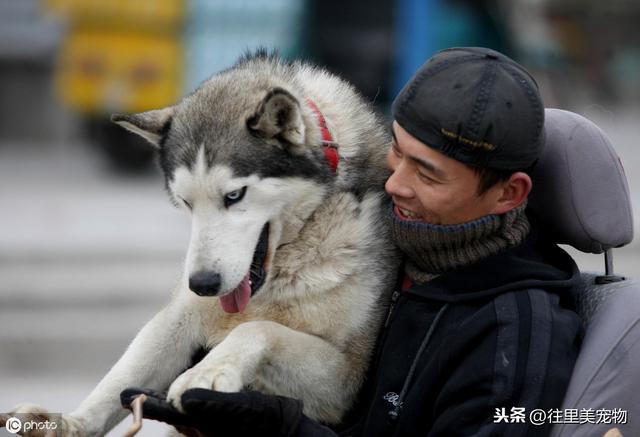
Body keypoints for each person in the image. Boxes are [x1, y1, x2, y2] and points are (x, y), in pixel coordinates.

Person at [121, 47, 581, 436]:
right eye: (397, 152)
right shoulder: (396, 254)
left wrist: (286, 426)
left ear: (509, 193)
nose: (395, 183)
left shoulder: (514, 334)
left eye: (427, 173)